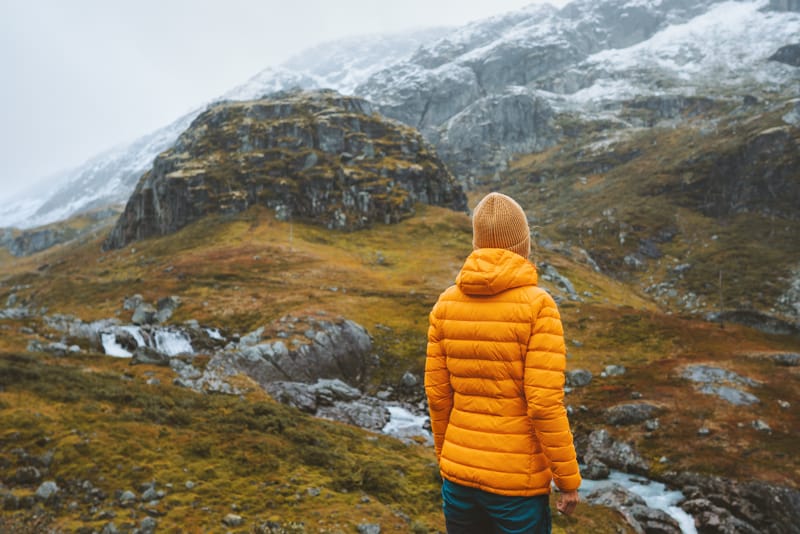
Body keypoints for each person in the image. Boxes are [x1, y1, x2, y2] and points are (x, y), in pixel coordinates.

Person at [425, 192, 581, 533]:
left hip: (458, 479)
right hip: (516, 491)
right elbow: (543, 404)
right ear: (522, 245)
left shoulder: (445, 304)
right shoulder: (539, 306)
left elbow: (437, 396)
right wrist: (567, 479)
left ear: (478, 243)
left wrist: (447, 456)